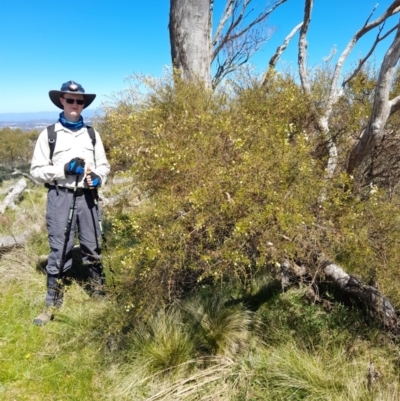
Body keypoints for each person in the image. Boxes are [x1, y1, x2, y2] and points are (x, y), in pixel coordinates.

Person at [30, 80, 110, 326]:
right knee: (60, 247)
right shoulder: (50, 134)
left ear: (83, 105)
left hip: (87, 197)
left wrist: (98, 177)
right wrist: (63, 169)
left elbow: (104, 166)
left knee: (92, 244)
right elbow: (36, 171)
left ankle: (99, 292)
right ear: (61, 101)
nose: (75, 104)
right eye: (70, 99)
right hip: (60, 196)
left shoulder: (92, 135)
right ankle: (52, 302)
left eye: (79, 101)